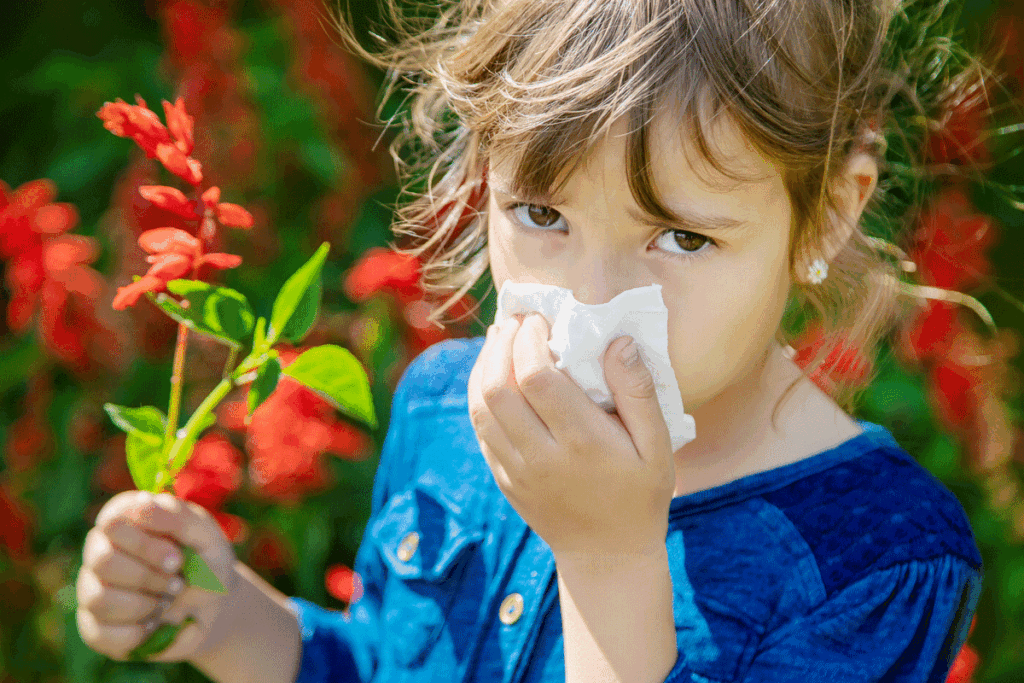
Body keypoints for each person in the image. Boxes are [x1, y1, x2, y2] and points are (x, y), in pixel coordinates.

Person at [76, 0, 995, 681]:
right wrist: (225, 615)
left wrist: (608, 560)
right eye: (543, 213)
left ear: (829, 213)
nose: (591, 301)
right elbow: (387, 661)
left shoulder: (873, 561)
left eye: (681, 237)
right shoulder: (446, 407)